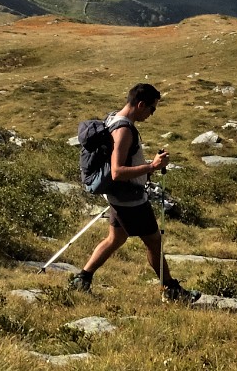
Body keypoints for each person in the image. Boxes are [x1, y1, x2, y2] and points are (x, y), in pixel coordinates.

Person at [70, 83, 197, 303]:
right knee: (154, 241)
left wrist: (147, 167)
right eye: (152, 109)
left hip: (119, 195)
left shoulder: (112, 118)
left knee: (115, 238)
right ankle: (171, 291)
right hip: (130, 198)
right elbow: (118, 171)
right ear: (140, 104)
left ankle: (82, 279)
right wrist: (152, 167)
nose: (151, 114)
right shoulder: (124, 130)